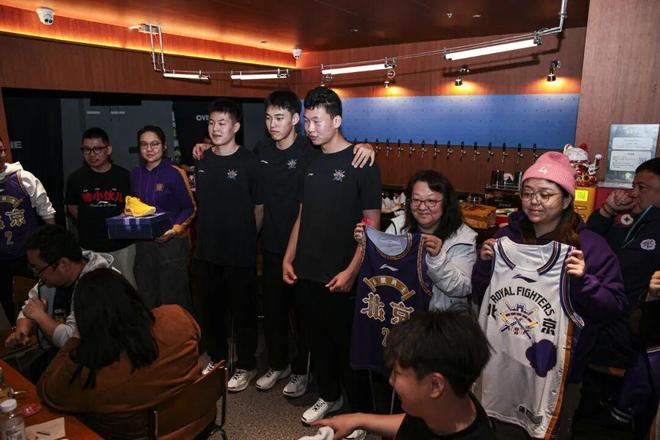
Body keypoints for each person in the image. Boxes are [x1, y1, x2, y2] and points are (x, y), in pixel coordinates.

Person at [194, 90, 375, 396]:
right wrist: (207, 146)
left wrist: (367, 146)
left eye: (279, 118)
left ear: (294, 120)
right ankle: (278, 365)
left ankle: (303, 372)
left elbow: (338, 149)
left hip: (308, 249)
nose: (272, 124)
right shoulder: (260, 149)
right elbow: (238, 170)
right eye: (268, 118)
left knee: (306, 320)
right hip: (273, 244)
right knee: (274, 314)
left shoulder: (310, 148)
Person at [471, 151, 626, 438]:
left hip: (558, 372)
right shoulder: (505, 238)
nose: (535, 201)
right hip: (503, 361)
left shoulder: (590, 246)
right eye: (528, 193)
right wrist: (483, 264)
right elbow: (483, 296)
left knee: (544, 432)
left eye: (545, 194)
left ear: (566, 200)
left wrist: (584, 282)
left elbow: (614, 307)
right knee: (495, 429)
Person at [283, 87, 381, 430]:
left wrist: (352, 270)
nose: (309, 128)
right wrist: (287, 257)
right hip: (306, 270)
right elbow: (302, 214)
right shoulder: (308, 158)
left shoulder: (362, 160)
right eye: (306, 121)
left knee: (348, 347)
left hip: (342, 272)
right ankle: (329, 395)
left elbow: (372, 224)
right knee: (316, 341)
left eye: (317, 121)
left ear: (336, 120)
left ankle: (360, 415)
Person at [37, 268, 203, 440]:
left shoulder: (87, 374)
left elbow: (47, 391)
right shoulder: (176, 316)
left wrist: (74, 339)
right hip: (200, 421)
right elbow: (196, 336)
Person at [313, 310, 495, 439]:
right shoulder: (450, 405)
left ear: (435, 385)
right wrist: (358, 419)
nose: (391, 380)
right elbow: (413, 424)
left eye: (397, 373)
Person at [581, 157, 660, 436]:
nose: (633, 193)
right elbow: (587, 243)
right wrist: (606, 212)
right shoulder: (628, 222)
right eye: (633, 185)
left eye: (642, 187)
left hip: (632, 339)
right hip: (602, 326)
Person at [193, 98, 262, 392]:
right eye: (211, 122)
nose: (215, 128)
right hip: (207, 252)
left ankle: (246, 364)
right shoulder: (202, 158)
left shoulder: (249, 161)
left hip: (239, 254)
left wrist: (247, 237)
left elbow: (259, 207)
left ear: (235, 127)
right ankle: (218, 359)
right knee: (212, 312)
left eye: (222, 123)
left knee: (243, 313)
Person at [357, 169, 476, 311]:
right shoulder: (398, 227)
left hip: (440, 318)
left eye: (431, 201)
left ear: (446, 202)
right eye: (416, 200)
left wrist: (437, 258)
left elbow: (462, 289)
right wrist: (367, 244)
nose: (422, 207)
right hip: (401, 311)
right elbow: (382, 268)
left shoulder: (463, 238)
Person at [5, 225, 115, 379]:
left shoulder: (98, 285)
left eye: (38, 269)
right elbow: (30, 307)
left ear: (64, 264)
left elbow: (71, 340)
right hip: (62, 358)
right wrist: (21, 331)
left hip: (97, 365)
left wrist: (40, 316)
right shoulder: (54, 278)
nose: (37, 275)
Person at [130, 125, 196, 310]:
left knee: (174, 300)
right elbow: (136, 205)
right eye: (144, 145)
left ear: (164, 146)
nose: (149, 149)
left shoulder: (175, 173)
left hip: (172, 244)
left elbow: (189, 208)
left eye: (155, 144)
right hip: (144, 246)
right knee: (147, 298)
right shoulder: (135, 174)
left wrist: (175, 229)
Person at [65, 127, 135, 287]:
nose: (92, 154)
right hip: (90, 247)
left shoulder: (124, 176)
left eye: (97, 149)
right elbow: (72, 207)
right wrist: (90, 221)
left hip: (121, 246)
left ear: (108, 150)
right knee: (94, 290)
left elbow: (134, 207)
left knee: (125, 287)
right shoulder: (76, 178)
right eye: (87, 150)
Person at [0, 135, 55, 324]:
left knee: (37, 299)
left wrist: (53, 245)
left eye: (1, 150)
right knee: (9, 303)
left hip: (27, 255)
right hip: (2, 259)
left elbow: (46, 211)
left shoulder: (23, 178)